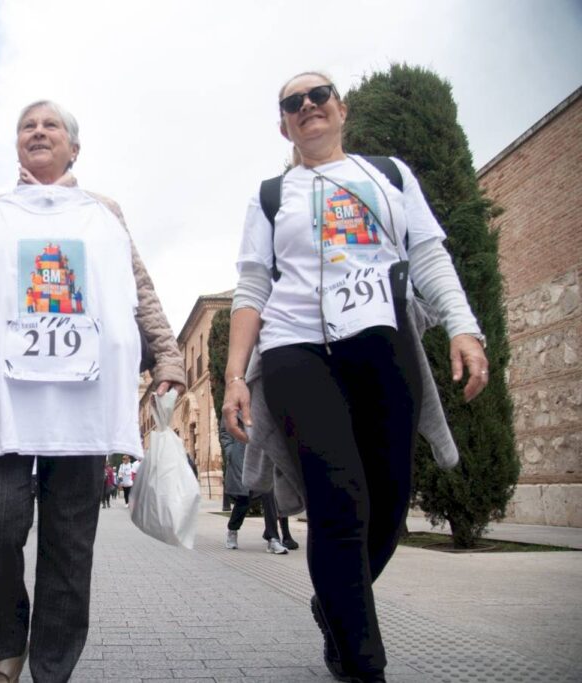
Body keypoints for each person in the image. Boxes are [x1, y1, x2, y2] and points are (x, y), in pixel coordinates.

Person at [222, 72, 489, 683]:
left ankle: (335, 607)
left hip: (381, 342)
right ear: (284, 125)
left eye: (319, 95)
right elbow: (252, 284)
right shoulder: (271, 195)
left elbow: (428, 254)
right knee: (338, 505)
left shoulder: (388, 175)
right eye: (293, 103)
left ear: (340, 109)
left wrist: (462, 327)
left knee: (388, 504)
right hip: (295, 350)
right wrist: (235, 375)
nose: (308, 106)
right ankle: (364, 665)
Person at [0, 100, 184, 683]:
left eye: (49, 125)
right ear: (16, 146)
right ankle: (7, 641)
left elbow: (138, 288)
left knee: (69, 536)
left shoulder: (103, 213)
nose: (37, 132)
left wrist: (168, 356)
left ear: (73, 148)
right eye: (26, 126)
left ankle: (52, 668)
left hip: (84, 397)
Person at [219, 416, 292, 554]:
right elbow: (224, 432)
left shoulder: (262, 403)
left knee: (269, 495)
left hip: (262, 454)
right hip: (242, 456)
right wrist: (230, 452)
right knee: (244, 499)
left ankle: (273, 539)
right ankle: (232, 530)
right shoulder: (234, 405)